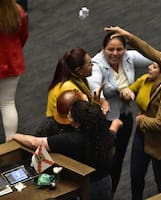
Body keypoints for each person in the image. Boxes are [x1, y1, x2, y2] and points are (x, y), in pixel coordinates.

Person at [105, 26, 161, 193]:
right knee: (136, 175)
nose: (160, 58)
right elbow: (150, 51)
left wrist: (140, 119)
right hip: (147, 136)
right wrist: (129, 36)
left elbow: (160, 123)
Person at [12, 91, 123, 200]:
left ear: (77, 123)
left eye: (70, 116)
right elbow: (112, 132)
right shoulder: (102, 132)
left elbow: (34, 142)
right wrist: (116, 124)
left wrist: (15, 136)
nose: (68, 118)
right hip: (104, 182)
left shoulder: (71, 140)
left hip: (85, 187)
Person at [87, 32, 152, 194]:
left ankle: (111, 194)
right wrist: (109, 96)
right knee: (105, 163)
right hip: (106, 120)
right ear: (103, 49)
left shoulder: (129, 57)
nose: (115, 54)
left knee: (118, 161)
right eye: (110, 50)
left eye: (119, 49)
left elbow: (156, 56)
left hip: (125, 118)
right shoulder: (96, 64)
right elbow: (95, 85)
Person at [120, 62, 161, 200]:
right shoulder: (144, 79)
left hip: (159, 137)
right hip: (142, 132)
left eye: (154, 67)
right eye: (150, 65)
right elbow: (129, 90)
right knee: (136, 174)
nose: (149, 68)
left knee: (160, 178)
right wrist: (127, 92)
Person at [0, 0, 28, 142]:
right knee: (7, 103)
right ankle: (10, 143)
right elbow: (23, 36)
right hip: (11, 64)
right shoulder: (17, 11)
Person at [46, 47, 102, 118]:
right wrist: (97, 104)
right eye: (89, 64)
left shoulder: (76, 78)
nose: (92, 66)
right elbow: (83, 115)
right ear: (79, 70)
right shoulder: (69, 88)